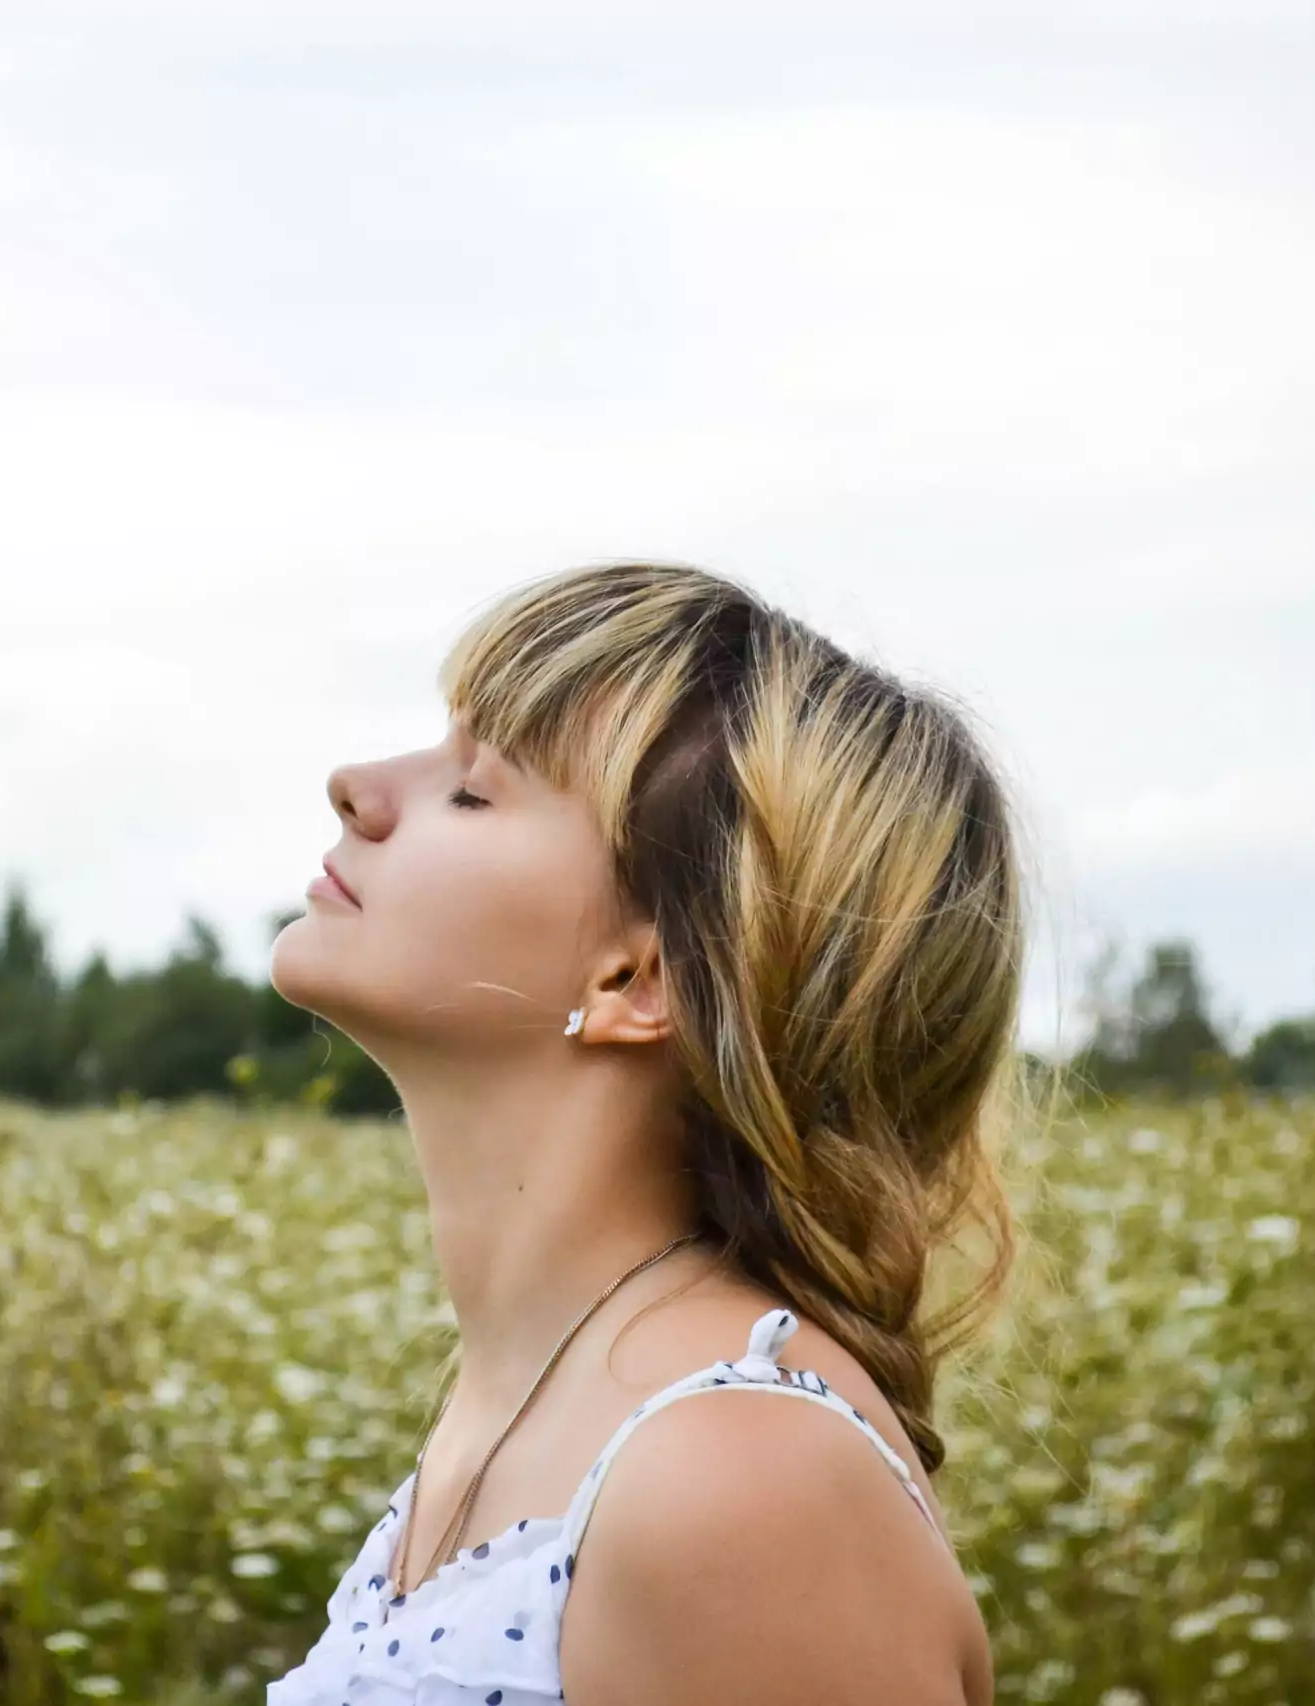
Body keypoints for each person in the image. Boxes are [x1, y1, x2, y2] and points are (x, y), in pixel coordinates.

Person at [264, 560, 1031, 1706]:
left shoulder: (739, 1484)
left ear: (637, 974)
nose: (357, 786)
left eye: (473, 789)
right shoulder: (541, 1397)